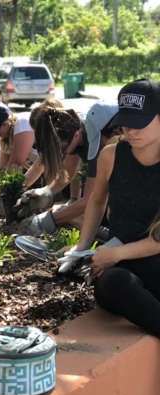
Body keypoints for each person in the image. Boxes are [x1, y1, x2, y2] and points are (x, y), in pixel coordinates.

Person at [64, 78, 160, 337]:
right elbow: (96, 200)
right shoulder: (111, 155)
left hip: (149, 261)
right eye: (126, 122)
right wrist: (81, 248)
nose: (131, 131)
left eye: (140, 123)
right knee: (115, 283)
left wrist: (115, 254)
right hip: (121, 272)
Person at [17, 101, 121, 237]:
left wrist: (49, 220)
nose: (63, 153)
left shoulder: (97, 143)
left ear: (76, 136)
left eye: (63, 149)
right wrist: (46, 192)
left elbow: (90, 200)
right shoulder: (74, 137)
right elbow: (68, 172)